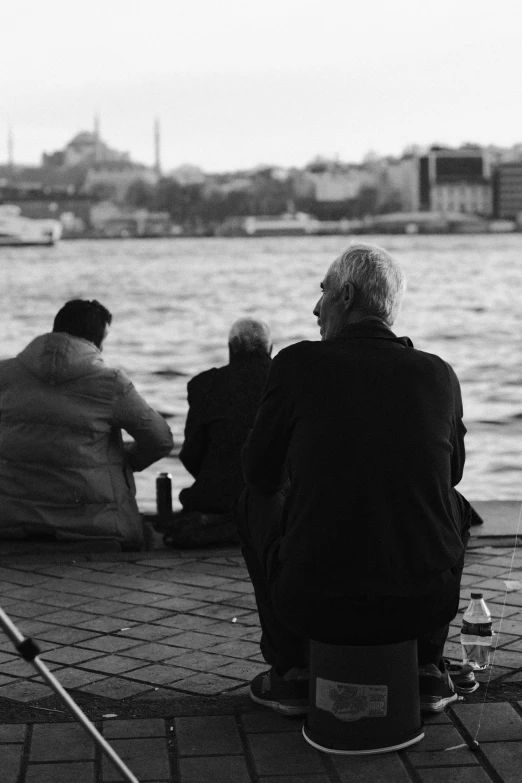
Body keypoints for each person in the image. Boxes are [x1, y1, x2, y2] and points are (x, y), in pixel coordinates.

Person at [237, 243, 477, 717]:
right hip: (425, 605)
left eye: (322, 291)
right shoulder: (438, 373)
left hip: (316, 605)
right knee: (455, 502)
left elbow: (259, 472)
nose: (315, 306)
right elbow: (452, 474)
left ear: (345, 296)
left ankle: (291, 672)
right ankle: (427, 665)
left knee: (253, 499)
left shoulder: (297, 363)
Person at [0, 299, 173, 550]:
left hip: (11, 522)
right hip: (96, 527)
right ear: (98, 340)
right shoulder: (110, 382)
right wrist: (125, 463)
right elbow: (160, 440)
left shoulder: (6, 374)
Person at [163, 317, 272, 548]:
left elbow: (191, 454)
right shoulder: (286, 381)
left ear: (231, 349)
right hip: (272, 504)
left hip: (217, 500)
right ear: (270, 350)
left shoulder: (205, 385)